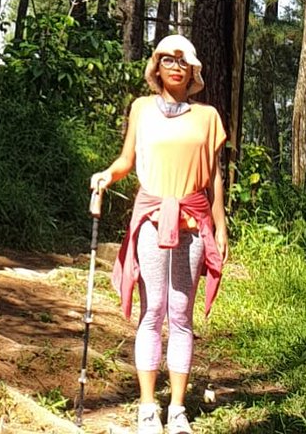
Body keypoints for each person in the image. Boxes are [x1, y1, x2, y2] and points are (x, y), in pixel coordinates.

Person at [90, 34, 228, 434]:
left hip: (193, 220)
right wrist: (106, 175)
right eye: (166, 58)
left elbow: (214, 177)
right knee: (153, 311)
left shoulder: (208, 117)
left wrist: (221, 228)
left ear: (193, 70)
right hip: (151, 219)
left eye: (182, 59)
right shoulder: (142, 109)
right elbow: (127, 159)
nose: (174, 64)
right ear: (156, 67)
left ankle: (178, 409)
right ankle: (148, 406)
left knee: (180, 315)